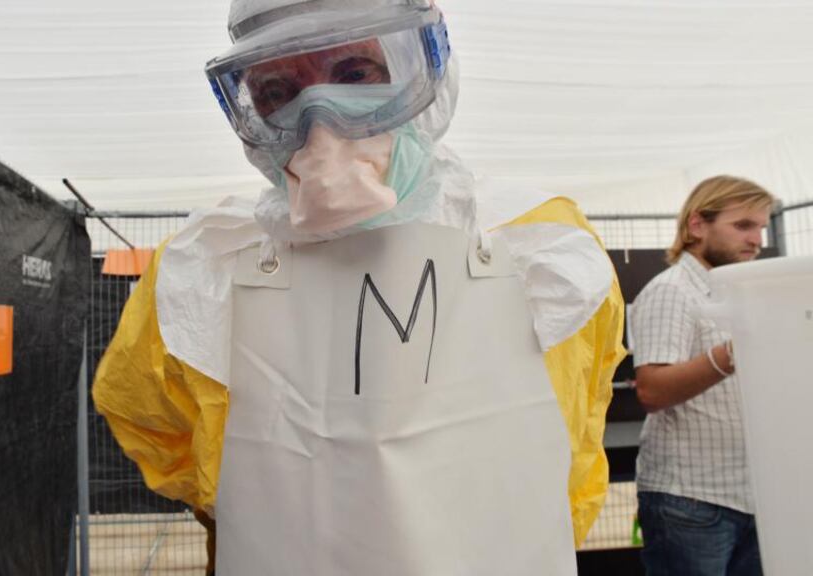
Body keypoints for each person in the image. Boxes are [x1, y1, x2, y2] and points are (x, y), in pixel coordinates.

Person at [93, 1, 625, 574]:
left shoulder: (537, 241)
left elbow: (570, 435)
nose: (319, 113)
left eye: (354, 73)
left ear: (423, 70)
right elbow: (160, 427)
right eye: (277, 91)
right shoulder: (204, 266)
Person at [631, 175, 776, 576]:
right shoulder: (671, 291)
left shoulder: (735, 293)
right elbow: (652, 390)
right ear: (697, 225)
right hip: (691, 502)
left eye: (761, 226)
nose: (757, 239)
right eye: (743, 225)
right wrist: (731, 353)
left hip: (748, 495)